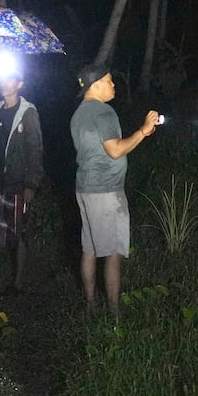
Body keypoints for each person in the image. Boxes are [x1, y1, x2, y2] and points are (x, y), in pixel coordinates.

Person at [70, 62, 159, 316]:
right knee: (113, 252)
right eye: (109, 80)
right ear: (95, 85)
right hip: (106, 191)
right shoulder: (104, 112)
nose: (113, 85)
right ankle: (114, 314)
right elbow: (115, 150)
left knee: (89, 249)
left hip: (85, 188)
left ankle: (90, 306)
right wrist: (142, 131)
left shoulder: (78, 114)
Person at [0, 62, 44, 293]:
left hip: (15, 182)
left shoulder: (28, 113)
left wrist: (31, 183)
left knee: (18, 232)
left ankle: (18, 281)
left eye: (10, 80)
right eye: (2, 79)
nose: (4, 84)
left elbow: (36, 149)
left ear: (20, 84)